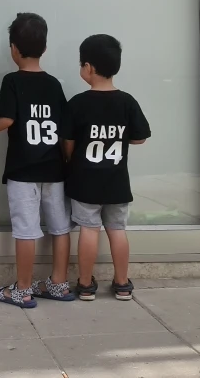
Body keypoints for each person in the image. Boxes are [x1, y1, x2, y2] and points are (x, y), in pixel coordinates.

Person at [0, 13, 74, 308]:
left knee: (26, 230)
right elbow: (65, 130)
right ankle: (59, 284)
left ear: (13, 49)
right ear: (44, 48)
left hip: (23, 171)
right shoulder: (54, 84)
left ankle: (23, 289)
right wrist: (68, 160)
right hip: (54, 169)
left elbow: (6, 119)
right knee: (60, 227)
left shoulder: (12, 81)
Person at [62, 35, 151, 301]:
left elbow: (68, 142)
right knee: (117, 230)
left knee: (89, 230)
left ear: (88, 67)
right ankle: (122, 283)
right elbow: (140, 138)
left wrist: (71, 158)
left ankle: (85, 285)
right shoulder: (127, 102)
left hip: (85, 182)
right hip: (116, 182)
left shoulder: (78, 103)